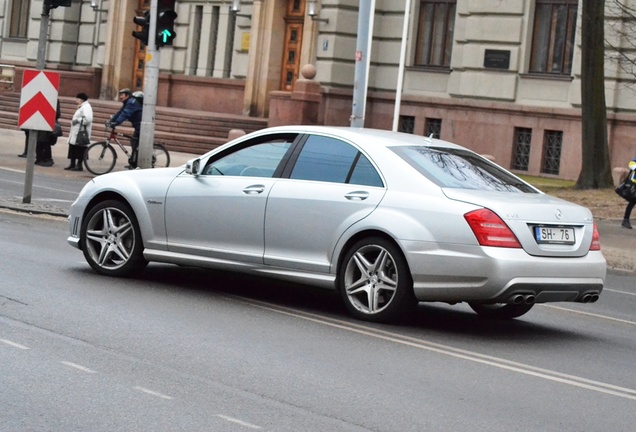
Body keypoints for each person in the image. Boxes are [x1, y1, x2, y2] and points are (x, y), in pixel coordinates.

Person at [109, 88, 142, 168]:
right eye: (120, 95)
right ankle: (134, 162)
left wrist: (116, 123)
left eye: (122, 95)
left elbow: (125, 114)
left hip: (141, 126)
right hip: (138, 125)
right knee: (134, 142)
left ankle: (137, 163)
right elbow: (120, 113)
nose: (120, 97)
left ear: (127, 96)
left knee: (136, 143)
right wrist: (111, 121)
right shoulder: (127, 102)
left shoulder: (131, 103)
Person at [65, 93, 93, 171]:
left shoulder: (86, 107)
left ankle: (79, 165)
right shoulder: (81, 107)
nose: (76, 100)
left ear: (82, 100)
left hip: (81, 132)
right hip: (76, 131)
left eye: (77, 99)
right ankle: (72, 163)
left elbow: (88, 119)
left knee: (80, 148)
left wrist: (78, 120)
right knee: (73, 147)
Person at [34, 99, 62, 167]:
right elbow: (57, 114)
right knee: (42, 142)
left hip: (46, 124)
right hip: (45, 123)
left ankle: (45, 159)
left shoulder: (53, 99)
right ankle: (41, 158)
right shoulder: (53, 98)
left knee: (44, 142)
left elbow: (57, 114)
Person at [621, 157, 636, 229]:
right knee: (632, 202)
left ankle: (626, 220)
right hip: (634, 185)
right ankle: (625, 220)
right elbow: (632, 164)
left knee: (632, 202)